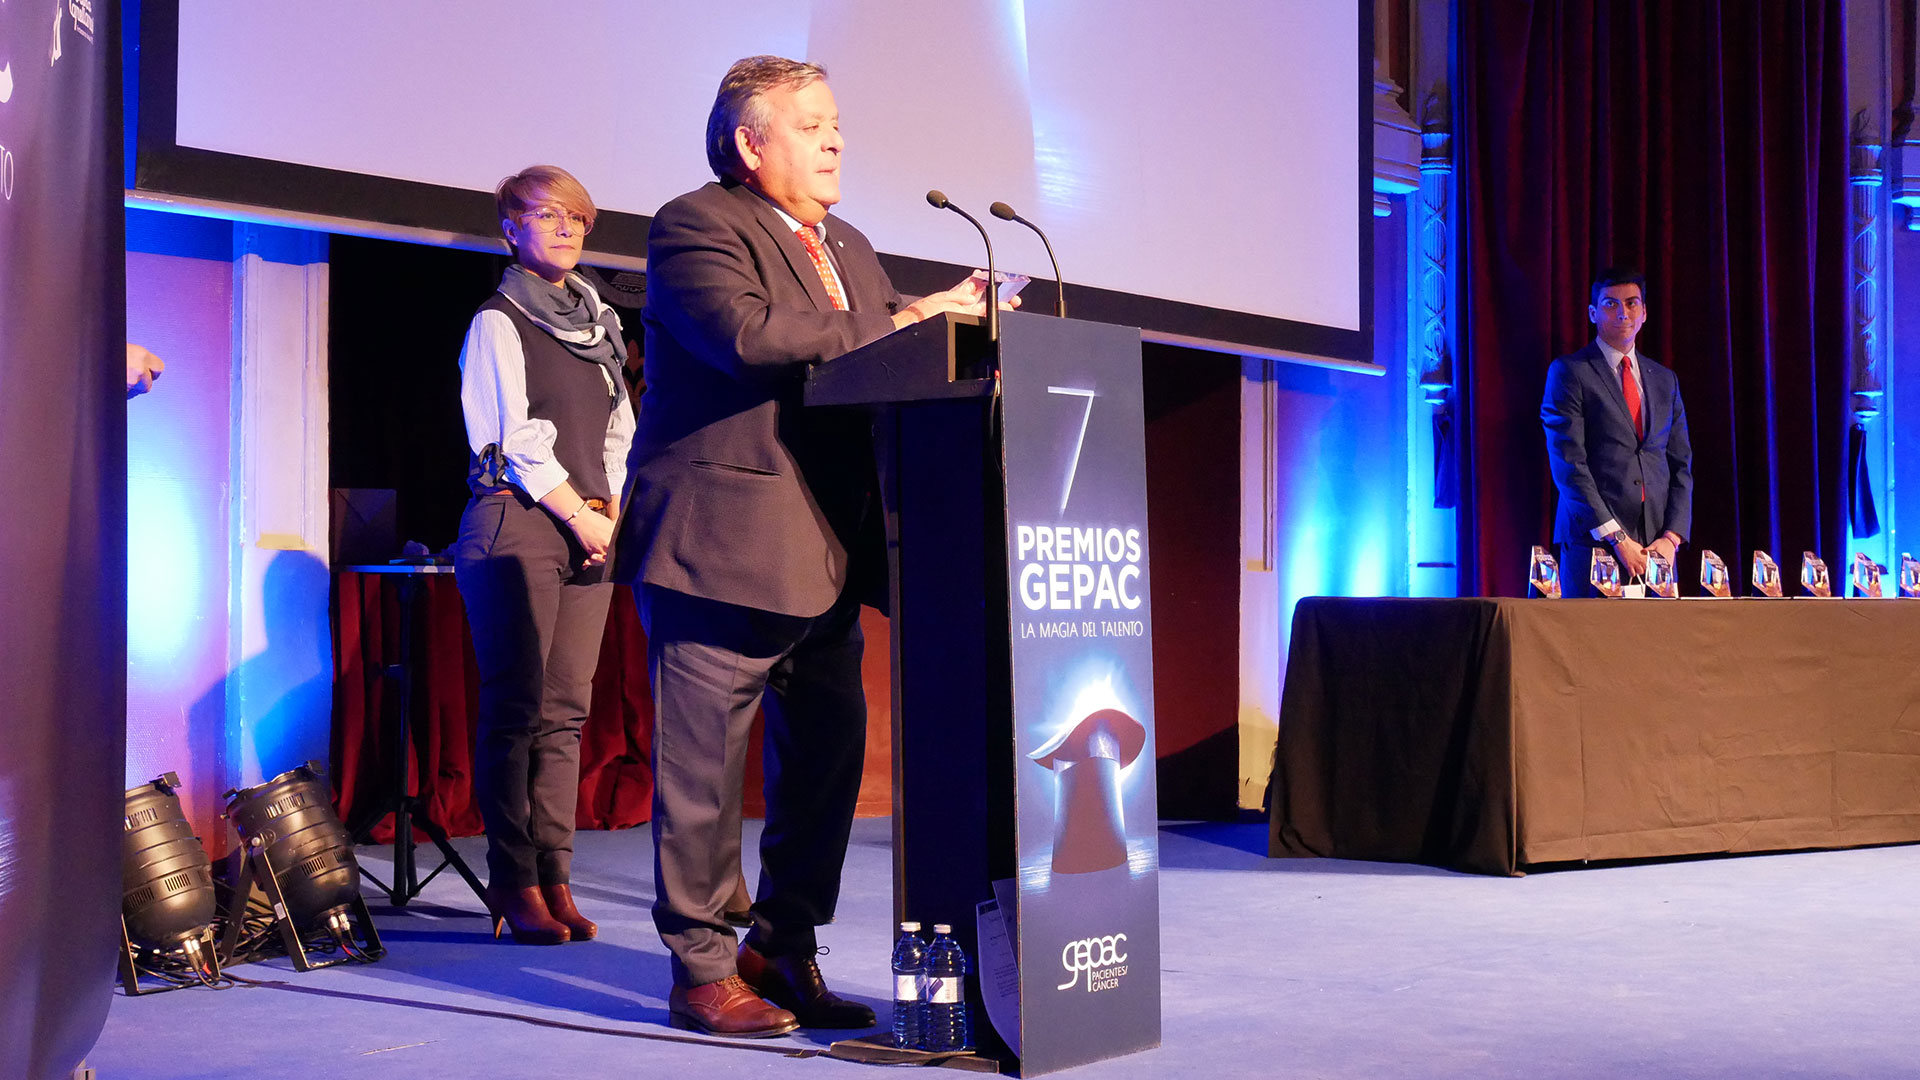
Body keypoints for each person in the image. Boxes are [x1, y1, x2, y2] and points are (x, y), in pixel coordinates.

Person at [614, 55, 997, 1036]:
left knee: (824, 768)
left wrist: (968, 335)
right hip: (720, 545)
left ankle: (782, 944)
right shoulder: (696, 225)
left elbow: (884, 353)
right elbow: (749, 336)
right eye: (813, 125)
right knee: (703, 778)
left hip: (825, 547)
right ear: (751, 143)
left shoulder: (850, 245)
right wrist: (913, 315)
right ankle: (702, 969)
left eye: (837, 126)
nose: (836, 142)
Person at [452, 165, 633, 945]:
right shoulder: (498, 320)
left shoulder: (601, 323)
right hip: (517, 524)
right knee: (517, 710)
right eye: (547, 215)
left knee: (566, 715)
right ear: (511, 230)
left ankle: (555, 875)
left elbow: (620, 426)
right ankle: (513, 878)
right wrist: (578, 513)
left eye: (577, 218)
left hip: (589, 526)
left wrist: (611, 508)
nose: (565, 229)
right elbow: (511, 436)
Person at [1541, 267, 1693, 596]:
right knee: (1591, 632)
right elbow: (1569, 464)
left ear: (1644, 313)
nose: (1622, 313)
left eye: (1631, 303)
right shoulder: (1569, 372)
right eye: (1611, 304)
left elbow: (1681, 464)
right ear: (1593, 313)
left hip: (1656, 550)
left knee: (1660, 632)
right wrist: (1617, 538)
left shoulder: (1664, 379)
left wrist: (1671, 538)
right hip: (1594, 544)